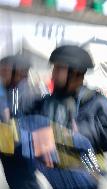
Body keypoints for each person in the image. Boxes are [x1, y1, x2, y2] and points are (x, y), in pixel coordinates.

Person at [33, 45, 107, 189]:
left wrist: (82, 135)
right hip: (56, 174)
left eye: (58, 69)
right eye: (54, 69)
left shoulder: (96, 103)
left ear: (75, 72)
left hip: (85, 176)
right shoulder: (47, 102)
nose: (52, 75)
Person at [0, 55, 43, 189]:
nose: (2, 73)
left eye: (5, 70)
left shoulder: (19, 91)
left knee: (23, 181)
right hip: (14, 146)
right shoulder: (14, 89)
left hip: (18, 147)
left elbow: (10, 116)